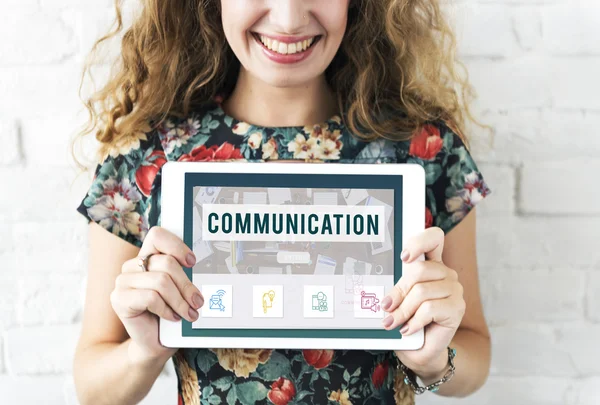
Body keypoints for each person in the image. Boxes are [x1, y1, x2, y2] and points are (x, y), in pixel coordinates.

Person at [71, 0, 493, 404]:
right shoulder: (147, 156)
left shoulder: (428, 150)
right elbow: (92, 387)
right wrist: (144, 350)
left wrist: (434, 359)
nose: (289, 19)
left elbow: (476, 354)